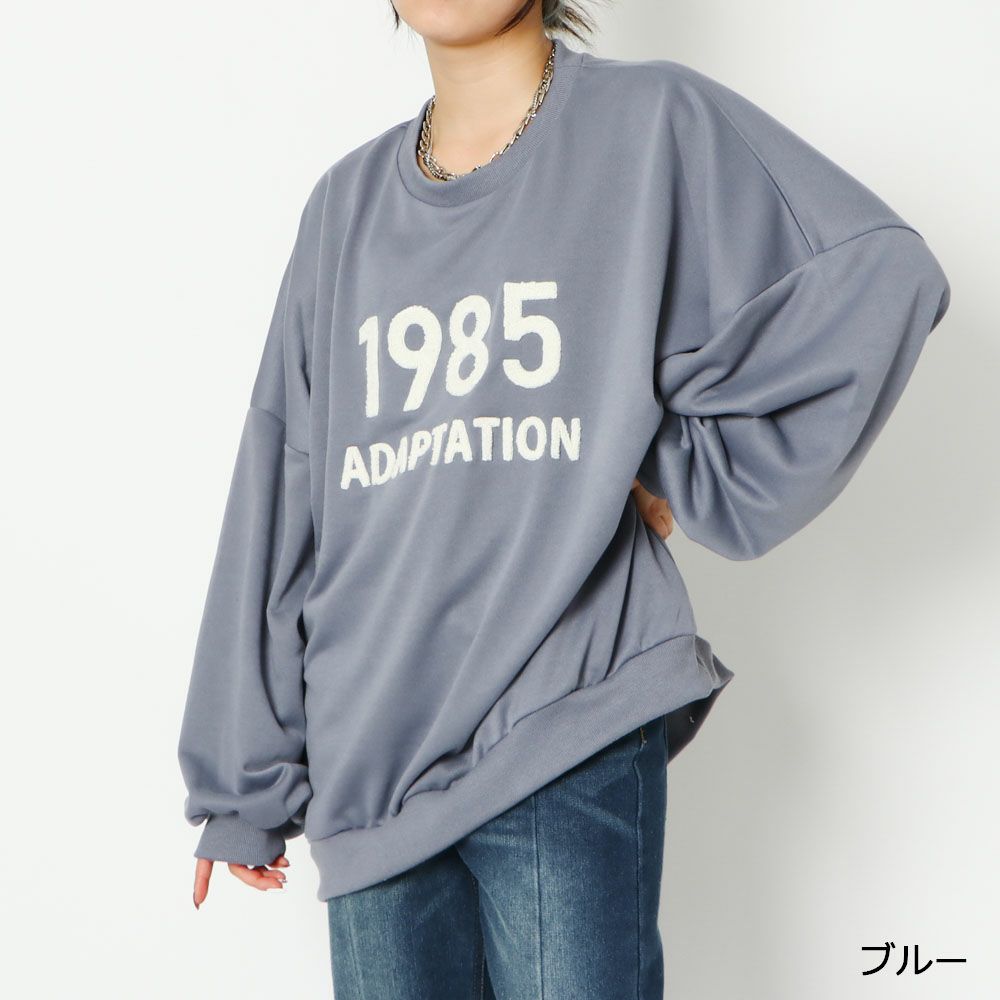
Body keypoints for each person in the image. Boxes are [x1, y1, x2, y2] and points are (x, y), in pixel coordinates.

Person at [177, 2, 951, 996]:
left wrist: (673, 455)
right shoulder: (343, 209)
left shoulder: (649, 124)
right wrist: (240, 776)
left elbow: (877, 277)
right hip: (369, 768)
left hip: (564, 722)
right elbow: (283, 480)